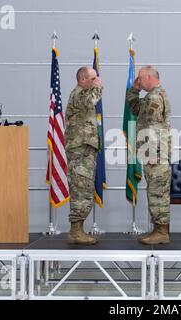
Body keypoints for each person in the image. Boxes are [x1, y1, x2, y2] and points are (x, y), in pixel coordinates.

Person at [127, 66, 172, 245]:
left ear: (149, 77)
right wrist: (134, 91)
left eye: (140, 78)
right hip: (154, 152)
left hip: (156, 153)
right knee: (154, 191)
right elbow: (136, 110)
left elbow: (153, 127)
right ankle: (158, 229)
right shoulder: (151, 96)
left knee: (158, 192)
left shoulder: (154, 97)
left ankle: (162, 232)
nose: (138, 81)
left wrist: (152, 152)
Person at [64, 66, 103, 245]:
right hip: (79, 150)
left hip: (85, 149)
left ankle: (78, 229)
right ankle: (75, 231)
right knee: (80, 189)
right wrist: (98, 87)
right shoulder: (78, 94)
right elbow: (90, 101)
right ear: (82, 80)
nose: (97, 81)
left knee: (86, 189)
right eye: (93, 78)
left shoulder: (83, 94)